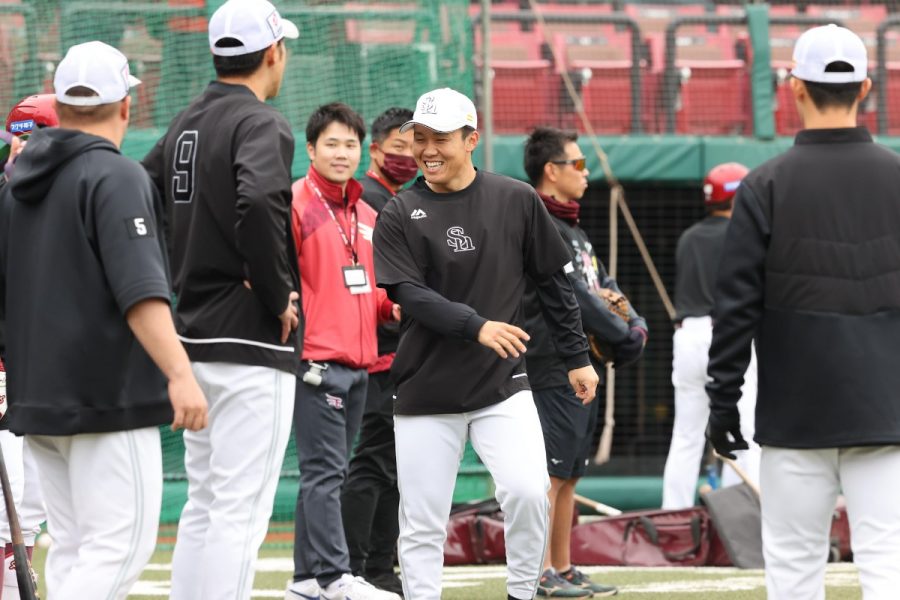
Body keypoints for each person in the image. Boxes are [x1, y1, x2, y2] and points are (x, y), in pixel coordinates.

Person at [0, 40, 208, 600]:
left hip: (38, 399)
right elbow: (140, 292)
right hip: (107, 397)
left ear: (61, 105)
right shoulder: (115, 175)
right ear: (124, 106)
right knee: (119, 546)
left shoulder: (14, 187)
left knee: (74, 547)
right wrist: (180, 373)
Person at [373, 88, 600, 600]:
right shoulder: (399, 212)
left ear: (471, 139)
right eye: (420, 138)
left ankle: (522, 594)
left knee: (528, 493)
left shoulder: (516, 199)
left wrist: (577, 358)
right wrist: (476, 325)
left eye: (440, 138)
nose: (427, 150)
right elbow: (408, 294)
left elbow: (554, 285)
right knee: (422, 521)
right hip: (424, 390)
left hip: (502, 386)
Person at [706, 24, 900, 600]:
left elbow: (735, 308)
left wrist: (723, 401)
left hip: (795, 416)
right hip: (886, 411)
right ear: (865, 88)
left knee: (793, 573)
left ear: (794, 87)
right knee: (889, 567)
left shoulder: (764, 185)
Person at [141, 1, 301, 597]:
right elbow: (257, 201)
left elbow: (140, 191)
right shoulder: (261, 121)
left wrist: (172, 268)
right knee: (239, 509)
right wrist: (275, 290)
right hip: (249, 339)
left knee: (206, 501)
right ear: (273, 52)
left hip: (190, 335)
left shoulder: (185, 119)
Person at [522, 126, 647, 598]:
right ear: (551, 171)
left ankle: (563, 566)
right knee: (551, 475)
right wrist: (622, 334)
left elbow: (604, 285)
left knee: (571, 472)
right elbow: (575, 295)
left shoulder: (573, 228)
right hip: (551, 363)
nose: (586, 172)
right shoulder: (539, 223)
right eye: (577, 164)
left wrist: (636, 324)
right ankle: (538, 573)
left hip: (581, 366)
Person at [285, 102, 401, 600]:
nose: (341, 153)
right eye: (331, 143)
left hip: (361, 363)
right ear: (311, 149)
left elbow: (371, 291)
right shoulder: (295, 204)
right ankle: (334, 577)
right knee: (325, 472)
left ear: (361, 151)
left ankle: (305, 579)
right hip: (316, 359)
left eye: (349, 144)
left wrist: (393, 308)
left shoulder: (366, 214)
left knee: (327, 472)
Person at [340, 106, 416, 596]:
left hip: (394, 356)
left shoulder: (394, 200)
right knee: (372, 464)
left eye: (414, 148)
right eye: (399, 148)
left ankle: (379, 570)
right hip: (373, 356)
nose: (408, 157)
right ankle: (355, 569)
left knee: (388, 466)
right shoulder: (367, 200)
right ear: (376, 150)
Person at [661, 162, 760, 510]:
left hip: (688, 338)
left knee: (686, 436)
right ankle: (740, 516)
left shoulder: (689, 237)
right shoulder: (744, 235)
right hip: (729, 338)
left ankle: (673, 516)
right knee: (744, 432)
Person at [0, 94, 58, 600]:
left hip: (45, 374)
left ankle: (19, 577)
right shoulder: (7, 198)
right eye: (17, 139)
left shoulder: (68, 198)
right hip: (7, 370)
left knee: (34, 498)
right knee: (11, 499)